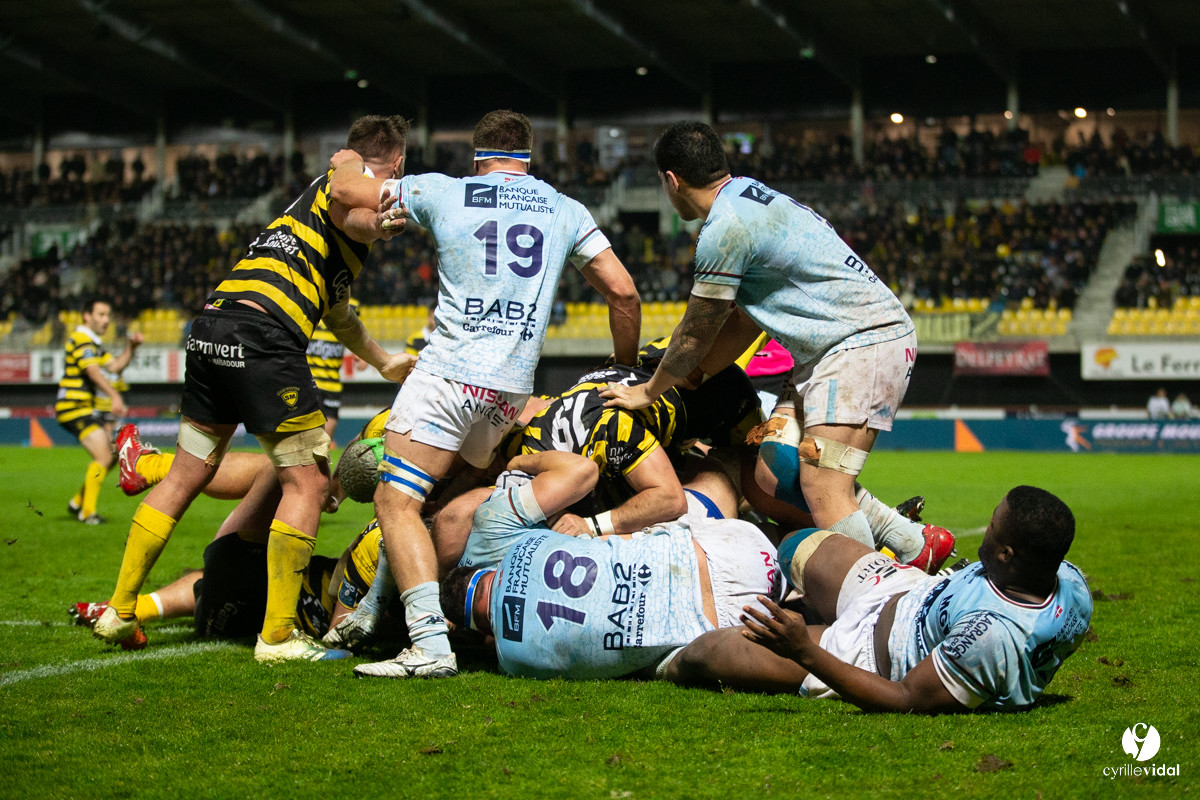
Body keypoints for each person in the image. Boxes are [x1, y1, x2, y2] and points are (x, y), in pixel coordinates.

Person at [328, 109, 641, 679]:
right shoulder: (565, 208)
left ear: (478, 157)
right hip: (508, 392)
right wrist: (622, 368)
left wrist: (343, 161)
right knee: (440, 496)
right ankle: (378, 606)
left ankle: (428, 643)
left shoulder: (446, 191)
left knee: (394, 502)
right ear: (528, 157)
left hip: (449, 373)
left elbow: (349, 191)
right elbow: (624, 294)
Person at [92, 115, 416, 663]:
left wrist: (384, 362)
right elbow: (351, 205)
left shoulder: (310, 224)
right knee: (309, 485)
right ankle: (277, 637)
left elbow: (337, 312)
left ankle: (119, 612)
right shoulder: (347, 171)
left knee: (185, 474)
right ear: (399, 164)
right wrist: (381, 225)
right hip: (264, 336)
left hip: (214, 326)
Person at [600, 121, 952, 573]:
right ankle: (913, 544)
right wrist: (699, 374)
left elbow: (696, 330)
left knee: (824, 484)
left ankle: (878, 600)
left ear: (672, 180)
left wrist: (650, 391)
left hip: (860, 344)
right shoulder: (749, 195)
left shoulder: (724, 230)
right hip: (829, 351)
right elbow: (747, 320)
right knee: (771, 467)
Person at [665, 486, 1092, 713]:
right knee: (796, 546)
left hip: (866, 654)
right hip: (901, 589)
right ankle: (814, 603)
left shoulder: (989, 639)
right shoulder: (1070, 583)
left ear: (1006, 554)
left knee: (709, 653)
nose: (986, 529)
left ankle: (805, 626)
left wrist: (803, 651)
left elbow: (906, 698)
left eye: (993, 526)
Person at [438, 449, 781, 679]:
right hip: (736, 550)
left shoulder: (512, 661)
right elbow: (583, 476)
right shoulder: (522, 540)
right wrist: (514, 463)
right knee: (713, 486)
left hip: (733, 629)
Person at [56, 298, 144, 524]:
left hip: (84, 408)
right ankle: (87, 512)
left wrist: (131, 347)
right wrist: (115, 395)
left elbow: (115, 366)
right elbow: (93, 372)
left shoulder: (93, 344)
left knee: (111, 454)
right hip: (74, 407)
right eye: (101, 315)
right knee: (104, 456)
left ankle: (77, 502)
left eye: (108, 316)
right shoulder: (81, 338)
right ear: (87, 316)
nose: (106, 320)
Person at [307, 297, 362, 438]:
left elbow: (357, 334)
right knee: (306, 432)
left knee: (325, 440)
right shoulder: (311, 297)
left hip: (332, 384)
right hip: (309, 380)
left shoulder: (353, 306)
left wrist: (360, 353)